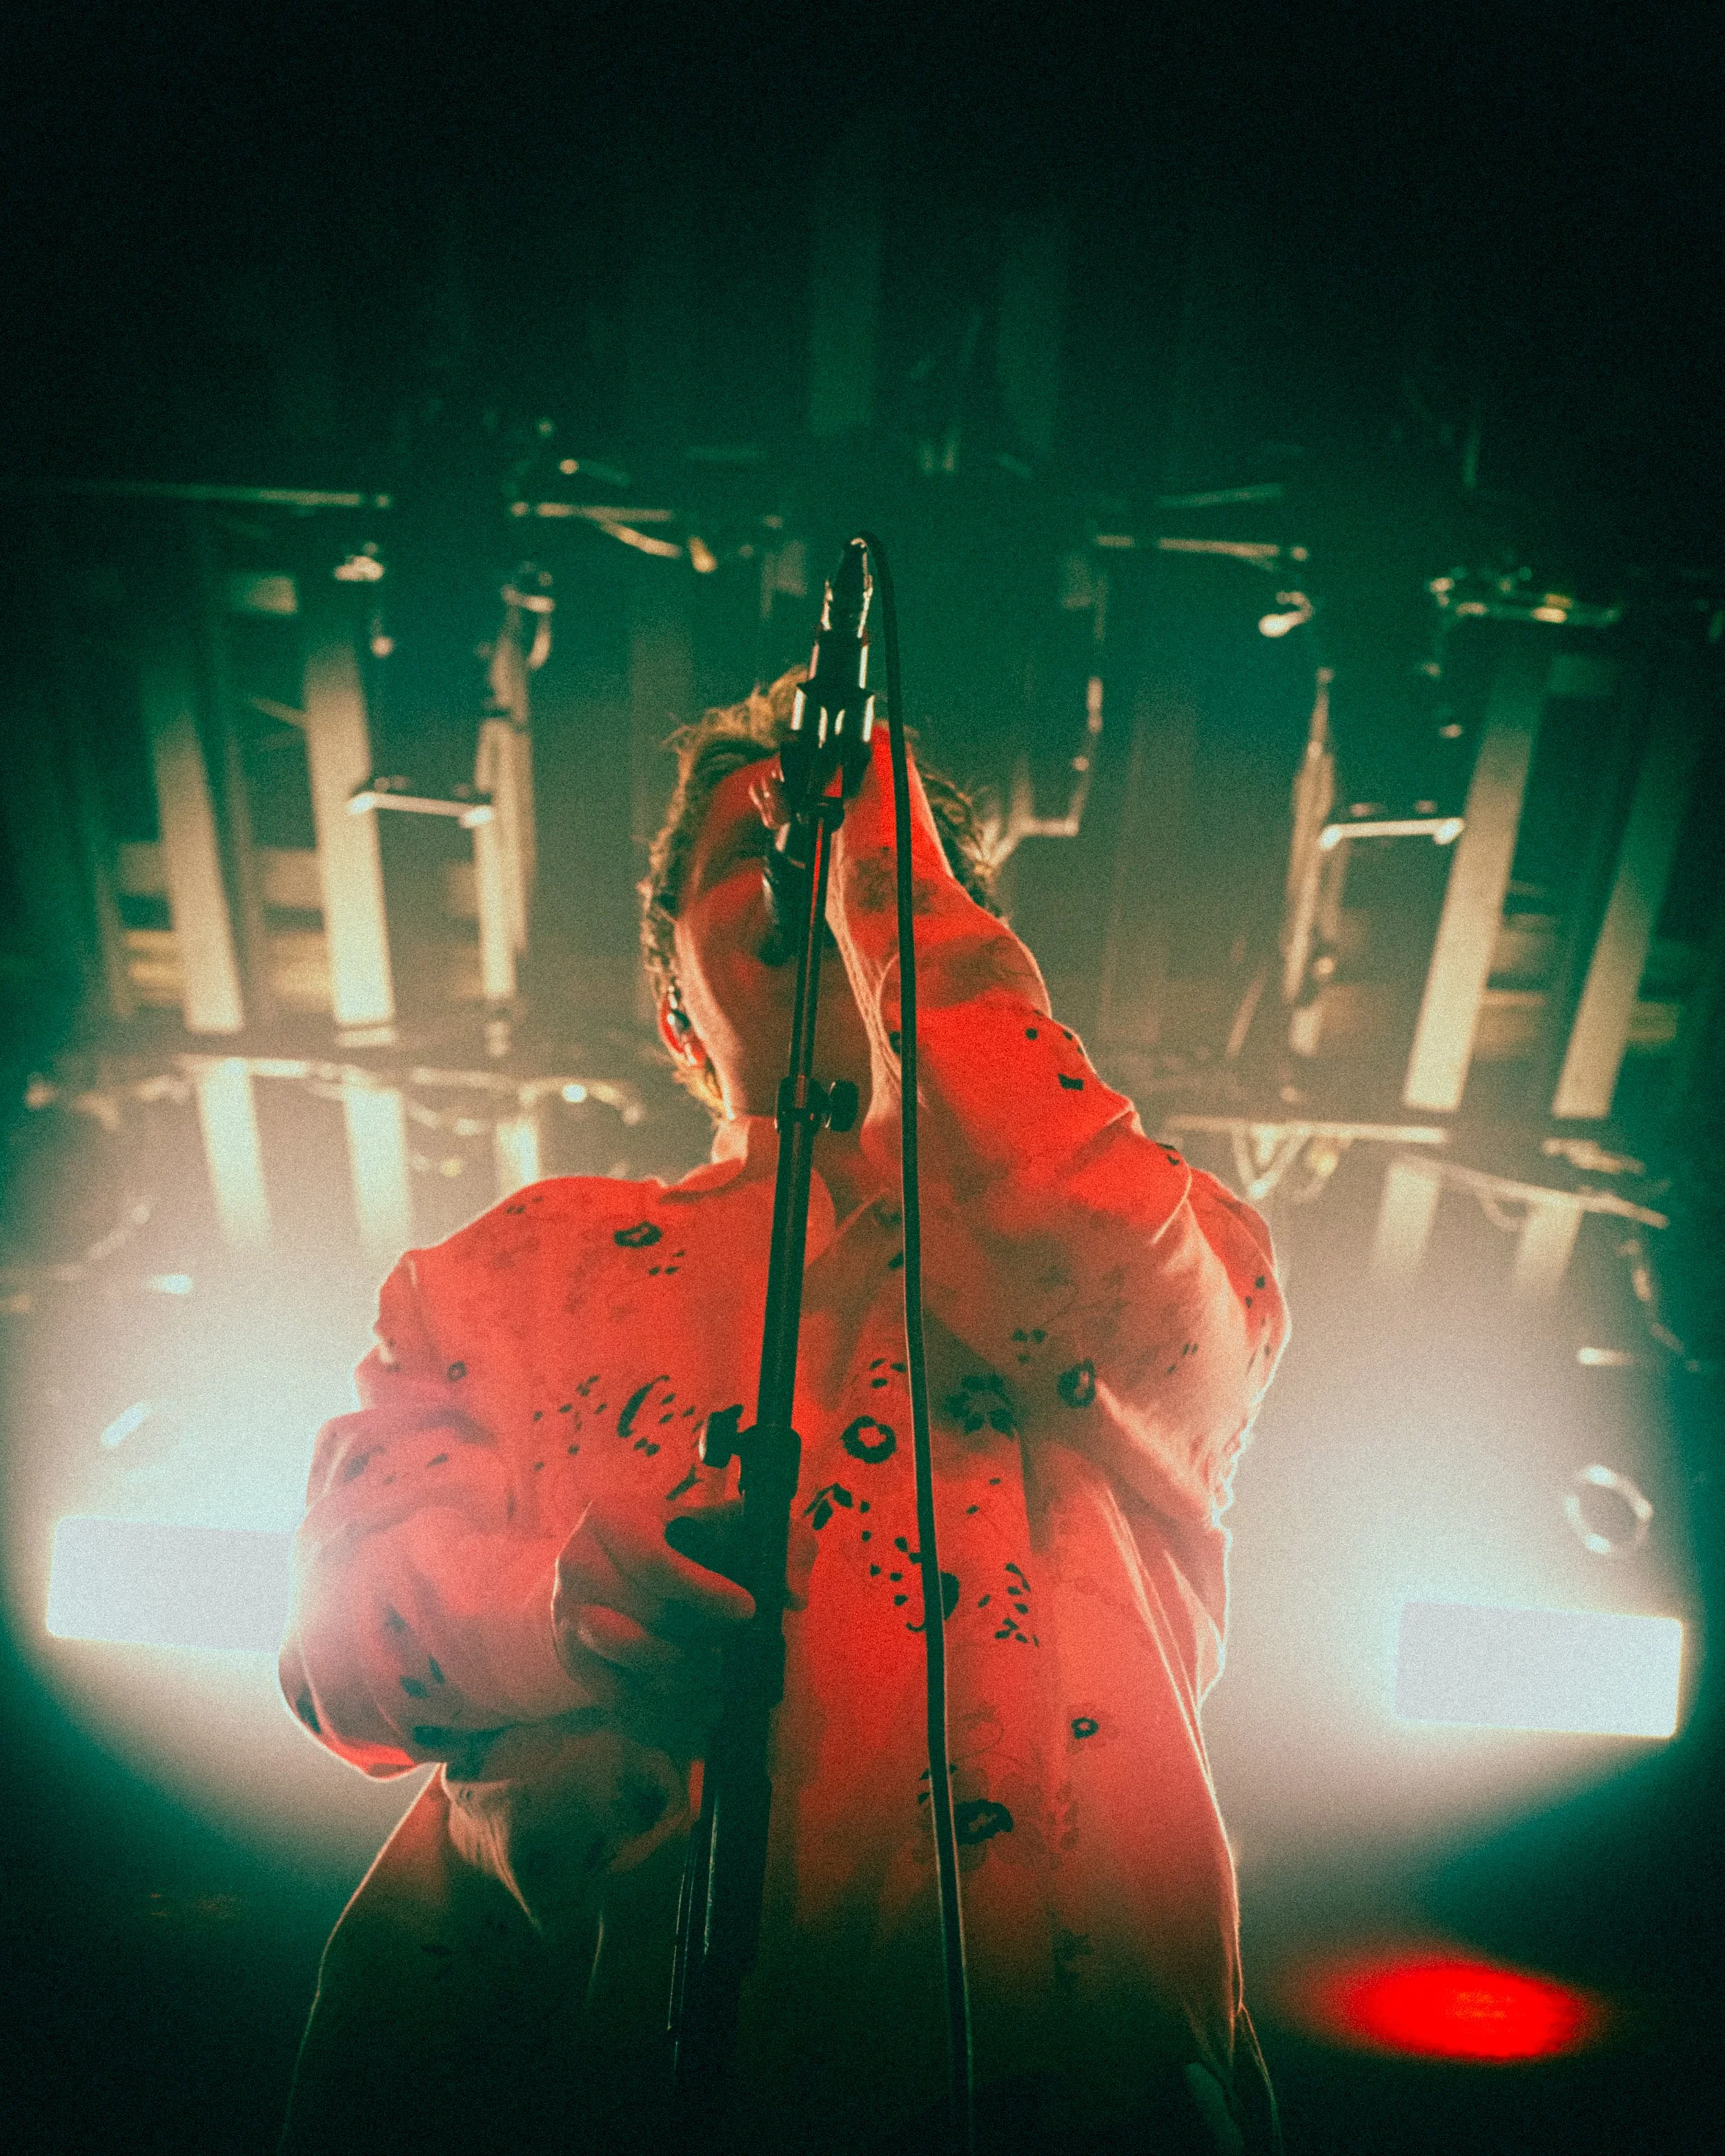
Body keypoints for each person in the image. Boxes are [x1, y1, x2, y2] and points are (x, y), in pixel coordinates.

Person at [276, 668, 1289, 2156]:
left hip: (1058, 2084)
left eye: (846, 844)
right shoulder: (505, 1268)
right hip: (567, 2066)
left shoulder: (1170, 1239)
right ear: (674, 1017)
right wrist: (560, 1608)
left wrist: (888, 872)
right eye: (748, 848)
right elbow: (341, 1647)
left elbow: (1070, 1225)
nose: (798, 862)